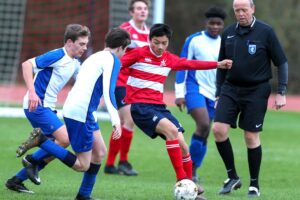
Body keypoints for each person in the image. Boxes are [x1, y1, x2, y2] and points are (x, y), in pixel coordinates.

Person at [13, 28, 131, 200]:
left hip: (82, 110)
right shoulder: (112, 59)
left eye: (85, 44)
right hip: (77, 111)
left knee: (99, 152)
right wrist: (116, 120)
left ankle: (83, 195)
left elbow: (86, 86)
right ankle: (40, 143)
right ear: (121, 47)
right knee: (81, 164)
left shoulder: (92, 57)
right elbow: (108, 91)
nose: (84, 47)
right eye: (126, 50)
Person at [122, 23, 232, 199]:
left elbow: (191, 64)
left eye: (163, 43)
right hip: (141, 107)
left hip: (159, 108)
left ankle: (190, 191)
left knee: (183, 145)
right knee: (172, 131)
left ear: (168, 42)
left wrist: (218, 64)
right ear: (150, 40)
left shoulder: (168, 59)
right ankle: (182, 180)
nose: (159, 47)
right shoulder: (138, 53)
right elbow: (116, 66)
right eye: (156, 42)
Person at [212, 0, 288, 197]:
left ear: (253, 9)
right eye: (237, 10)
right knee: (218, 129)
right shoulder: (228, 32)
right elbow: (221, 65)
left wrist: (281, 91)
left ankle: (254, 184)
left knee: (250, 136)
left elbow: (281, 62)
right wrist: (218, 93)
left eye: (244, 9)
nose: (240, 13)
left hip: (256, 90)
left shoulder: (266, 32)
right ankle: (232, 177)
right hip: (230, 88)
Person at [5, 24, 90, 193]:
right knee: (64, 139)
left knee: (57, 146)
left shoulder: (74, 63)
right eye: (81, 44)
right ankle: (32, 159)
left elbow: (86, 79)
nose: (85, 48)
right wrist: (32, 92)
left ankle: (16, 179)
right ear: (69, 42)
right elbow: (26, 65)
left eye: (86, 44)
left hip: (48, 109)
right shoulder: (58, 55)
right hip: (36, 106)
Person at [175, 6, 227, 183]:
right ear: (206, 23)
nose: (214, 26)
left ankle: (193, 169)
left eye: (218, 24)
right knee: (203, 124)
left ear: (222, 25)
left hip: (215, 92)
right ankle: (189, 168)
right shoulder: (194, 40)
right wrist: (179, 93)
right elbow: (182, 65)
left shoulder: (225, 42)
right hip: (194, 87)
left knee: (205, 132)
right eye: (211, 23)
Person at [104, 0, 150, 176]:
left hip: (136, 84)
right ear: (131, 12)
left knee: (124, 123)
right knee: (129, 120)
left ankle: (110, 164)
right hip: (120, 81)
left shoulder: (148, 34)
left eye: (145, 8)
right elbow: (108, 51)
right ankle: (122, 162)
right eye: (139, 8)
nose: (142, 11)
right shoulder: (124, 31)